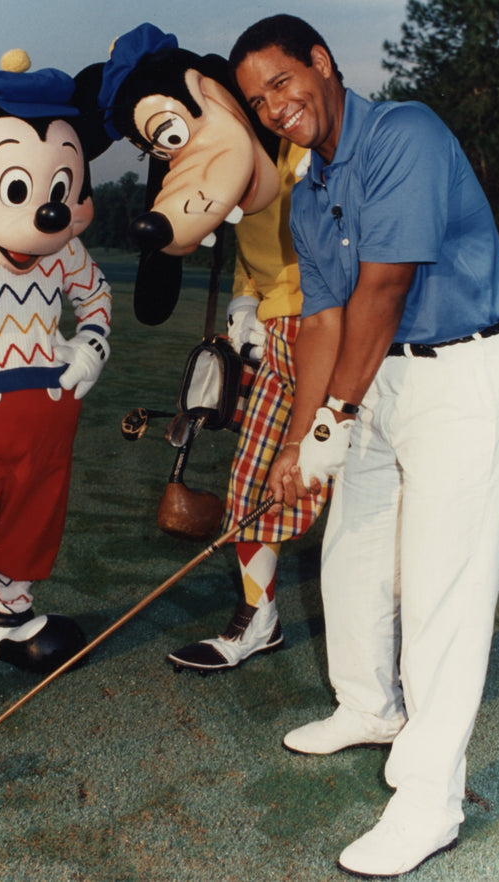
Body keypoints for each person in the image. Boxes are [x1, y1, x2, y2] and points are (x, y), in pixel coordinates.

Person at [228, 14, 499, 878]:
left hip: (461, 377)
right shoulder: (308, 190)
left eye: (282, 83)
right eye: (258, 102)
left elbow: (386, 288)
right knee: (352, 553)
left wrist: (332, 422)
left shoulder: (407, 131)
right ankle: (369, 707)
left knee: (443, 588)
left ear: (321, 64)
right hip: (380, 378)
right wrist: (299, 447)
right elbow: (321, 320)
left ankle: (430, 802)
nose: (275, 109)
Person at [166, 136, 334, 672]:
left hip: (333, 332)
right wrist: (246, 310)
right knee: (252, 485)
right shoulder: (236, 162)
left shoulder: (313, 149)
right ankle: (259, 617)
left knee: (354, 494)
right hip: (276, 337)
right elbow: (248, 254)